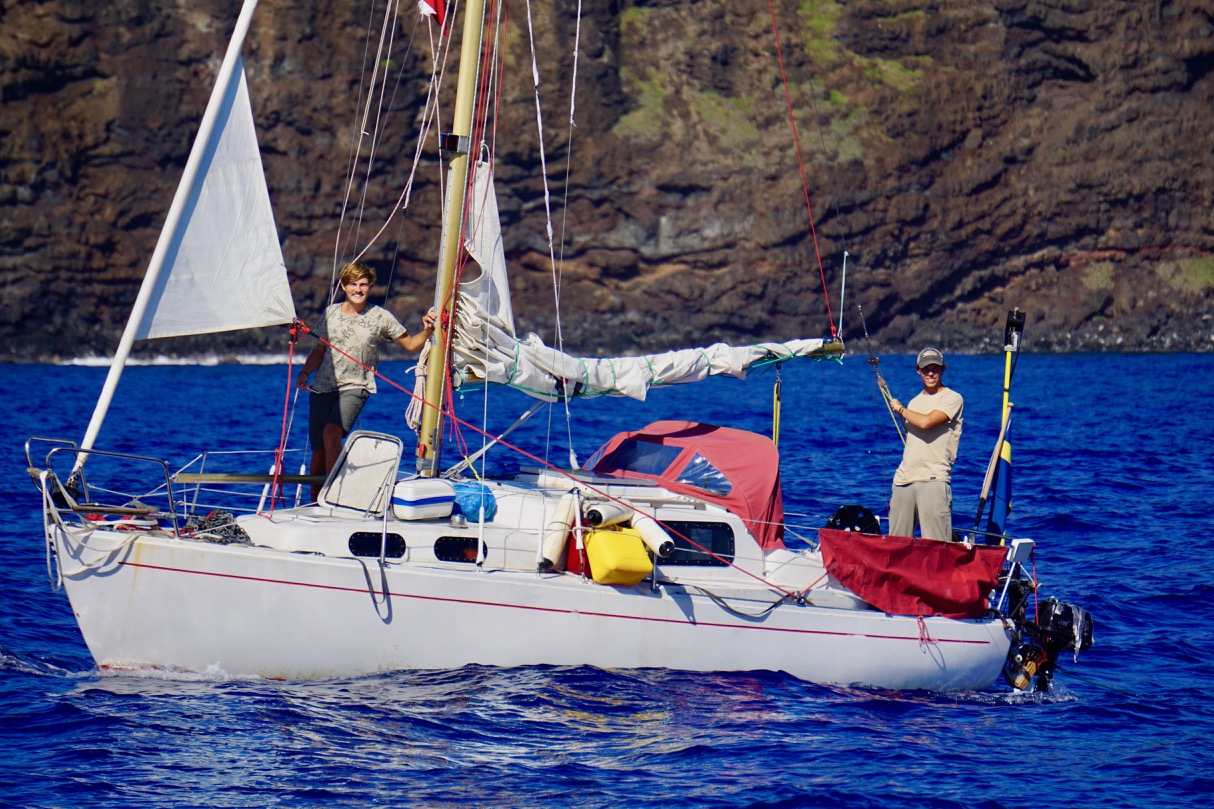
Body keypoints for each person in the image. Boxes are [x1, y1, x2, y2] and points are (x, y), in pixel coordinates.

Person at [296, 261, 436, 499]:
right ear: (343, 286)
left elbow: (411, 345)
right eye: (353, 284)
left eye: (363, 285)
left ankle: (334, 496)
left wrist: (428, 330)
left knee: (332, 434)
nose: (358, 290)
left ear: (370, 287)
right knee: (319, 450)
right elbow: (319, 350)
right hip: (323, 387)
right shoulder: (331, 313)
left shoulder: (380, 317)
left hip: (355, 387)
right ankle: (315, 503)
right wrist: (304, 373)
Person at [885, 347, 964, 540]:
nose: (930, 373)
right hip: (904, 480)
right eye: (925, 368)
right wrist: (904, 410)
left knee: (936, 547)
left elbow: (926, 422)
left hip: (934, 479)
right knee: (896, 544)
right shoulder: (913, 403)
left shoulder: (952, 398)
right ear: (918, 371)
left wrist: (901, 410)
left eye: (935, 368)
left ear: (943, 369)